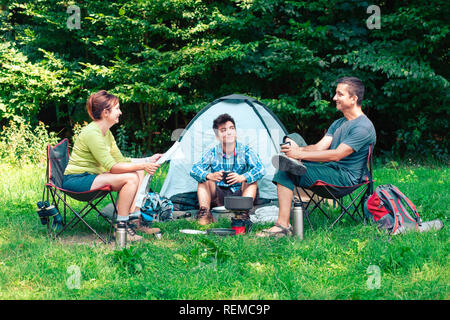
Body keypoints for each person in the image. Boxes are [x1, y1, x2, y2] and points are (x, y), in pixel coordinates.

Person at [257, 76, 376, 237]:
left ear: (353, 99)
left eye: (339, 94)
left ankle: (282, 226)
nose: (334, 98)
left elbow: (337, 155)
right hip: (330, 170)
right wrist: (298, 149)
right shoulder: (339, 123)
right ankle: (294, 162)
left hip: (345, 179)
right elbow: (318, 148)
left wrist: (299, 154)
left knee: (286, 171)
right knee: (293, 141)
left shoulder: (363, 127)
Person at [63, 90, 162, 242]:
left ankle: (134, 221)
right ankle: (121, 228)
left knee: (138, 173)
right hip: (77, 180)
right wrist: (143, 165)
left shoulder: (106, 133)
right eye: (117, 108)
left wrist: (147, 160)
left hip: (92, 177)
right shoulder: (92, 133)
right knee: (130, 178)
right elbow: (113, 167)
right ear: (105, 112)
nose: (120, 112)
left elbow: (120, 160)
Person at [190, 113, 266, 225]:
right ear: (217, 136)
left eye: (231, 128)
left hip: (240, 194)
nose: (229, 132)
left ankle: (243, 215)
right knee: (203, 181)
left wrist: (242, 177)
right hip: (219, 194)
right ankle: (205, 214)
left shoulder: (245, 150)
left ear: (235, 132)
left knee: (252, 181)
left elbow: (261, 169)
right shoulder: (212, 152)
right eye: (223, 130)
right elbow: (194, 169)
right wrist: (210, 175)